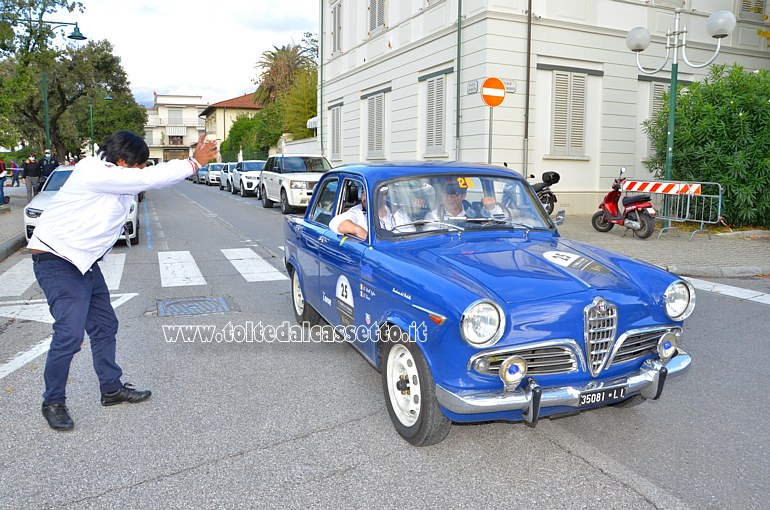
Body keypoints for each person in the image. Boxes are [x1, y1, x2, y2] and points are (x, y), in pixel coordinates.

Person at [28, 131, 218, 431]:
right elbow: (145, 180)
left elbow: (146, 181)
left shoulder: (117, 180)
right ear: (120, 161)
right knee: (70, 335)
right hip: (56, 260)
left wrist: (188, 165)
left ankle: (111, 389)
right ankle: (53, 401)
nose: (144, 170)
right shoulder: (93, 170)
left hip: (84, 264)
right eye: (140, 164)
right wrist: (193, 163)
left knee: (105, 325)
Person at [329, 186, 412, 239]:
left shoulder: (398, 215)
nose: (365, 197)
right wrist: (359, 231)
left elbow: (412, 237)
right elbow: (335, 223)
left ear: (384, 195)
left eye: (370, 192)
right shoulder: (357, 213)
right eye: (363, 192)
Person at [425, 179, 507, 222]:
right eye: (446, 193)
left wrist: (492, 208)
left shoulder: (477, 214)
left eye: (454, 193)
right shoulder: (433, 217)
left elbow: (501, 223)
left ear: (463, 195)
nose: (449, 198)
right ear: (442, 194)